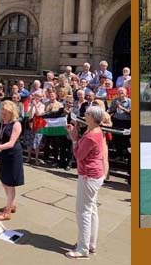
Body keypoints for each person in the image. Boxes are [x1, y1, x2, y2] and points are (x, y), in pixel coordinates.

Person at [65, 106, 109, 259]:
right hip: (95, 174)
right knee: (91, 210)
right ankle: (90, 244)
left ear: (92, 117)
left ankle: (83, 248)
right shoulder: (95, 131)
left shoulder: (91, 135)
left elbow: (78, 155)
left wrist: (74, 138)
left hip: (89, 175)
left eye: (87, 113)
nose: (85, 114)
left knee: (83, 212)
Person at [0, 100, 24, 221]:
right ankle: (11, 204)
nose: (3, 113)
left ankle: (7, 211)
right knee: (3, 180)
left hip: (13, 155)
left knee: (9, 183)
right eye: (2, 110)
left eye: (6, 111)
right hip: (3, 154)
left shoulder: (16, 124)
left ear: (11, 112)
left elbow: (11, 143)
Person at [26, 90, 46, 165]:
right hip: (30, 123)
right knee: (29, 141)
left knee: (37, 142)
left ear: (41, 98)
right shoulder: (30, 104)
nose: (37, 97)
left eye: (39, 96)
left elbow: (38, 114)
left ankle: (36, 158)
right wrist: (32, 106)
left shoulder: (42, 105)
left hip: (38, 125)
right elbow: (29, 114)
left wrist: (35, 106)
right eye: (36, 96)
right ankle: (28, 157)